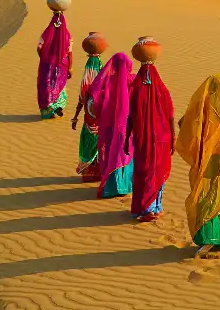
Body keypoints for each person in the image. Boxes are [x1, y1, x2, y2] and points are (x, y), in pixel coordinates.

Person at [175, 75, 220, 256]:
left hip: (210, 161)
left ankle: (212, 238)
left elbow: (185, 126)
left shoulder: (204, 105)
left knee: (209, 199)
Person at [125, 40, 174, 221]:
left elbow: (130, 116)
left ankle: (147, 208)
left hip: (144, 139)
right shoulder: (161, 88)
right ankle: (154, 206)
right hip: (161, 138)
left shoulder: (136, 88)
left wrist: (126, 138)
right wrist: (173, 138)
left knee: (145, 170)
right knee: (156, 170)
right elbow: (170, 114)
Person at [89, 53, 134, 198]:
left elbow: (95, 97)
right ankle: (123, 187)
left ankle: (111, 187)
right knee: (124, 154)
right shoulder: (133, 79)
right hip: (127, 126)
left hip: (109, 126)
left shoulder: (108, 81)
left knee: (111, 153)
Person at [71, 48, 104, 182]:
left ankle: (91, 173)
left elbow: (81, 97)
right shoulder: (104, 81)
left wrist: (75, 116)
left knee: (89, 144)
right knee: (99, 145)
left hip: (90, 120)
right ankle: (99, 173)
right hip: (100, 121)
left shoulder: (87, 84)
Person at [37, 11, 73, 119]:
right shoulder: (67, 35)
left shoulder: (46, 33)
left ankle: (49, 110)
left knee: (46, 85)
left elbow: (39, 48)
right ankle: (58, 105)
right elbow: (70, 53)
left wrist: (44, 57)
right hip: (62, 65)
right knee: (59, 84)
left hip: (46, 65)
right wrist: (70, 67)